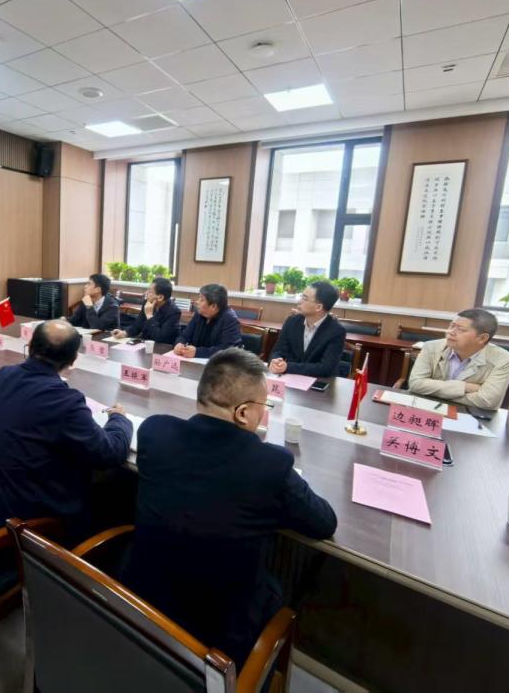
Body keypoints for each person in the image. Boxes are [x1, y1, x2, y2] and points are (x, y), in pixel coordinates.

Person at [122, 349, 337, 669]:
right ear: (243, 413)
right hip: (217, 638)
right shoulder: (271, 464)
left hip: (137, 601)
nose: (264, 413)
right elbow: (324, 522)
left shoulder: (155, 431)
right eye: (264, 406)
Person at [0, 319, 132, 542]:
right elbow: (110, 453)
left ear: (30, 346)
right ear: (73, 360)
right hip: (20, 536)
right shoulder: (64, 401)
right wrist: (119, 418)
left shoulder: (3, 376)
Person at [409, 308, 509, 410]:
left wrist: (434, 392)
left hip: (470, 415)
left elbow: (487, 401)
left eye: (461, 329)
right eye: (451, 326)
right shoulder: (431, 347)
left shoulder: (502, 359)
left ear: (482, 338)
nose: (451, 332)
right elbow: (415, 383)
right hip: (426, 408)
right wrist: (465, 387)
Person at [268, 281, 346, 378]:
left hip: (320, 381)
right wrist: (276, 361)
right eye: (301, 296)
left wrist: (288, 367)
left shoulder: (336, 331)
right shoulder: (292, 321)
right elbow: (279, 350)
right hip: (290, 379)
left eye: (304, 298)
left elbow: (326, 368)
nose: (299, 301)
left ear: (319, 307)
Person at [173, 283, 242, 358]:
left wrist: (198, 352)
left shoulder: (230, 319)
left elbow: (227, 350)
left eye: (201, 300)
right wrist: (179, 344)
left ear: (214, 306)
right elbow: (184, 336)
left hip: (218, 363)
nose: (197, 302)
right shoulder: (199, 314)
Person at [111, 277, 182, 345]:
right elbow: (137, 325)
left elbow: (160, 338)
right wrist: (125, 333)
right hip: (144, 344)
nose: (146, 293)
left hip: (163, 348)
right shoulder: (147, 302)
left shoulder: (174, 312)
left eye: (150, 291)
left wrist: (149, 316)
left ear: (160, 297)